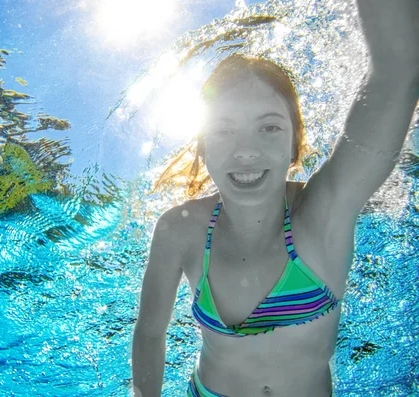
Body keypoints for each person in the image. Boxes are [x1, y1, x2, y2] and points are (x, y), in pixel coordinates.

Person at [131, 0, 419, 396]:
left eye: (268, 127)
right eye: (224, 130)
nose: (245, 151)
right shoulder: (180, 230)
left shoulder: (323, 213)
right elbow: (149, 333)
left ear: (295, 141)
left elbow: (398, 71)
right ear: (203, 147)